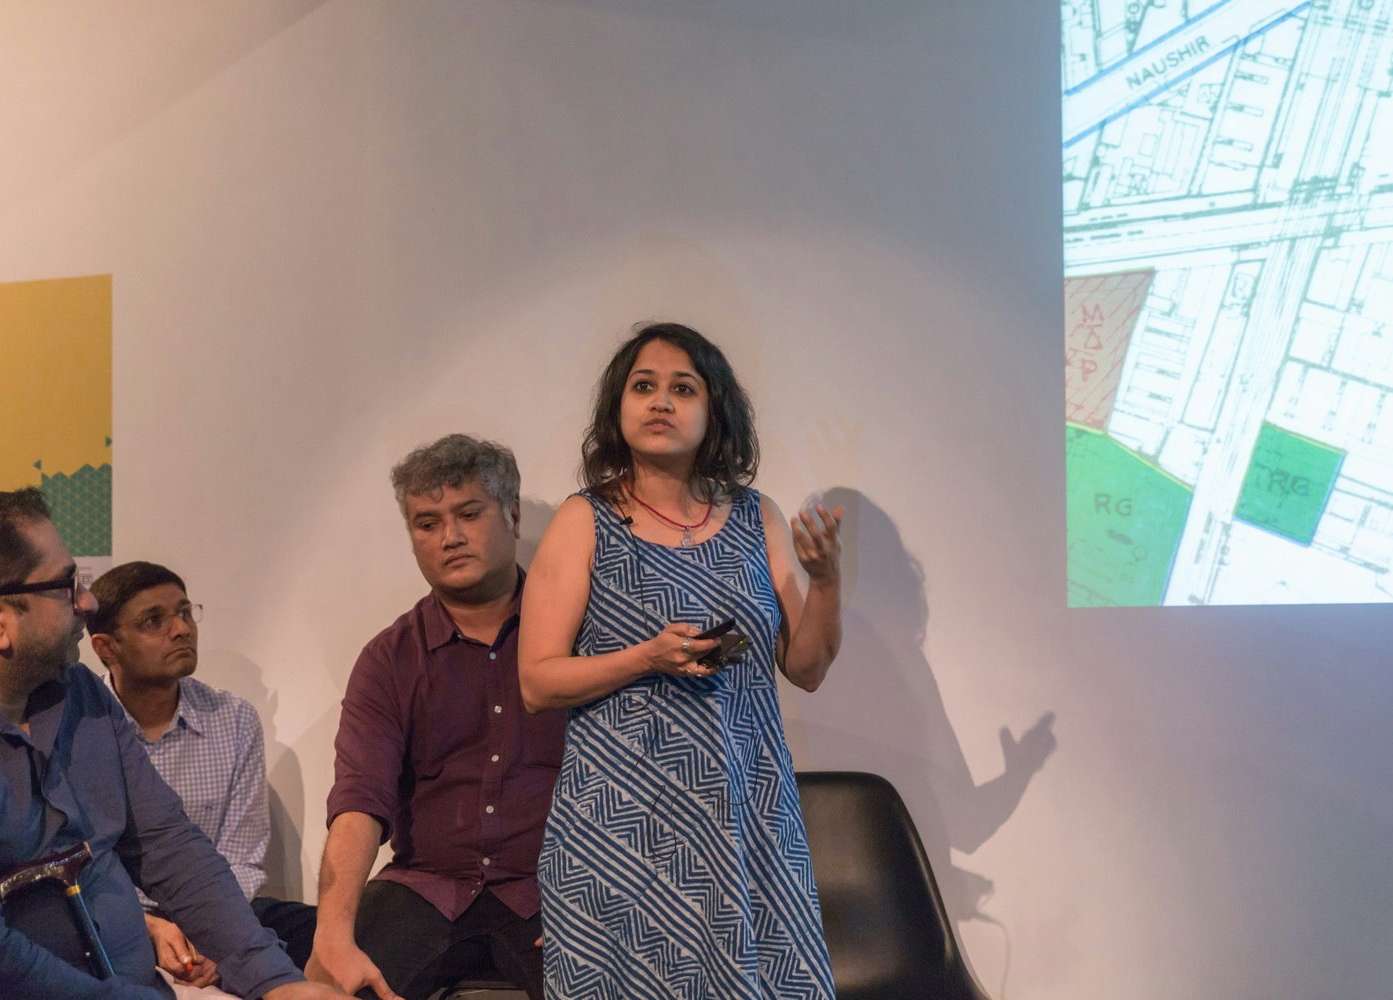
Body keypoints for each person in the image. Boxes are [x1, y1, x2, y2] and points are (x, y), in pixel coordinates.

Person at [0, 488, 349, 1000]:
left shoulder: (82, 693)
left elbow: (168, 845)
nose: (87, 603)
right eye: (67, 585)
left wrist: (277, 982)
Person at [518, 322, 843, 998]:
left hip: (746, 815)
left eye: (682, 388)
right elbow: (537, 682)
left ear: (713, 411)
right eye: (644, 387)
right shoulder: (585, 519)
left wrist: (828, 583)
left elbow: (806, 667)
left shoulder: (759, 517)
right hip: (620, 830)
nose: (660, 402)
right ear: (619, 407)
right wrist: (647, 657)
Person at [307, 435, 567, 1000]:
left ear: (513, 515)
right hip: (425, 889)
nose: (449, 537)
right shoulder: (388, 659)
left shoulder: (579, 638)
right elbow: (359, 801)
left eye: (468, 514)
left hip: (551, 891)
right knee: (332, 990)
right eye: (427, 524)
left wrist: (597, 897)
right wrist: (331, 935)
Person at [86, 561, 319, 987]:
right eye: (154, 621)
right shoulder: (79, 728)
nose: (181, 629)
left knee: (329, 930)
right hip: (117, 922)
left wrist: (215, 940)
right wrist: (145, 927)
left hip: (216, 910)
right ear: (106, 647)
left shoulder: (233, 719)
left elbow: (243, 855)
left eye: (185, 612)